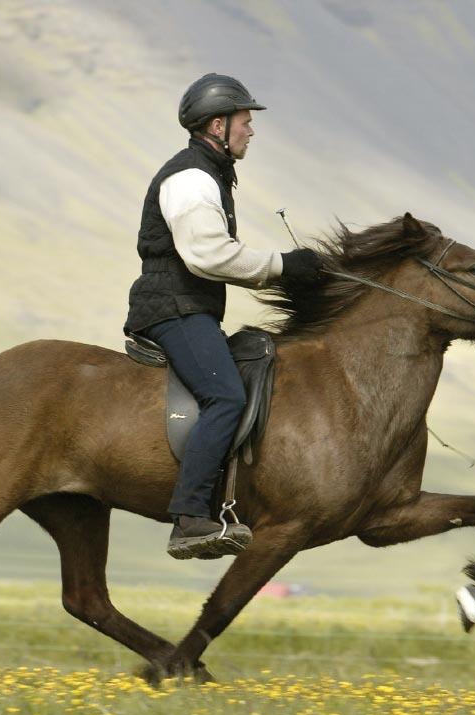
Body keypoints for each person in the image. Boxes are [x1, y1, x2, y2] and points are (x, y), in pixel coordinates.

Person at [124, 73, 324, 560]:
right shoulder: (192, 179)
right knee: (226, 396)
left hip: (189, 307)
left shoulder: (210, 174)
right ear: (218, 125)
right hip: (174, 309)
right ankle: (191, 518)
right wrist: (282, 267)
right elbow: (208, 256)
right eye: (244, 120)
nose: (251, 130)